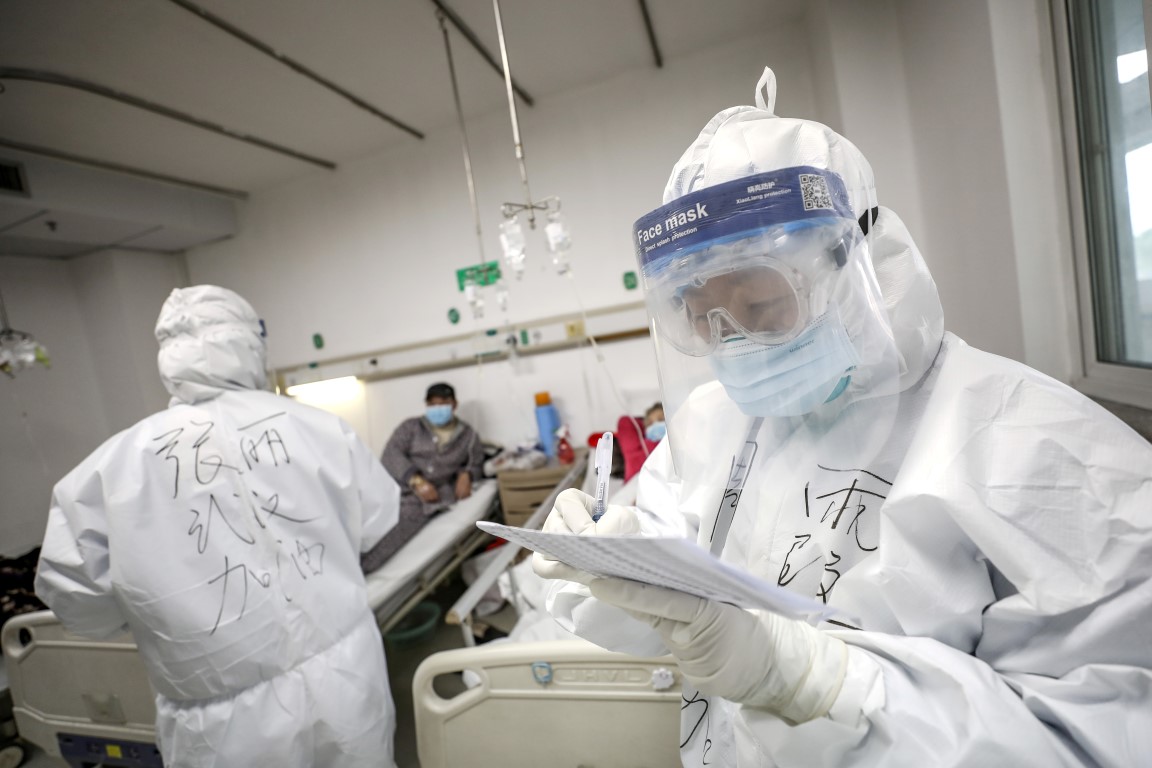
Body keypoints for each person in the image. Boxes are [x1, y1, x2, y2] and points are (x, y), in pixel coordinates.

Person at [533, 68, 1152, 766]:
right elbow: (683, 596)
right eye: (702, 317)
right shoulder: (716, 421)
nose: (733, 343)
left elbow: (1107, 736)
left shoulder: (1035, 447)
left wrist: (819, 684)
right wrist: (613, 565)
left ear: (860, 259)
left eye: (761, 305)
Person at [35, 286, 401, 768]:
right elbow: (377, 521)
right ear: (252, 345)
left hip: (224, 726)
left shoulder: (110, 471)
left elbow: (78, 605)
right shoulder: (321, 429)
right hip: (347, 679)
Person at [362, 382, 485, 573]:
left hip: (426, 500)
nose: (438, 409)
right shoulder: (411, 427)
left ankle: (363, 570)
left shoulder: (468, 436)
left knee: (395, 531)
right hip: (396, 487)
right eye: (433, 404)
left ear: (454, 404)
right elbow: (391, 453)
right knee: (362, 522)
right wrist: (415, 480)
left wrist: (466, 474)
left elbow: (476, 461)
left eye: (443, 403)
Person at [616, 402, 665, 482]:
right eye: (650, 423)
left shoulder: (676, 446)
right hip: (634, 488)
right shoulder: (637, 449)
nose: (655, 424)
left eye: (661, 420)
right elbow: (624, 421)